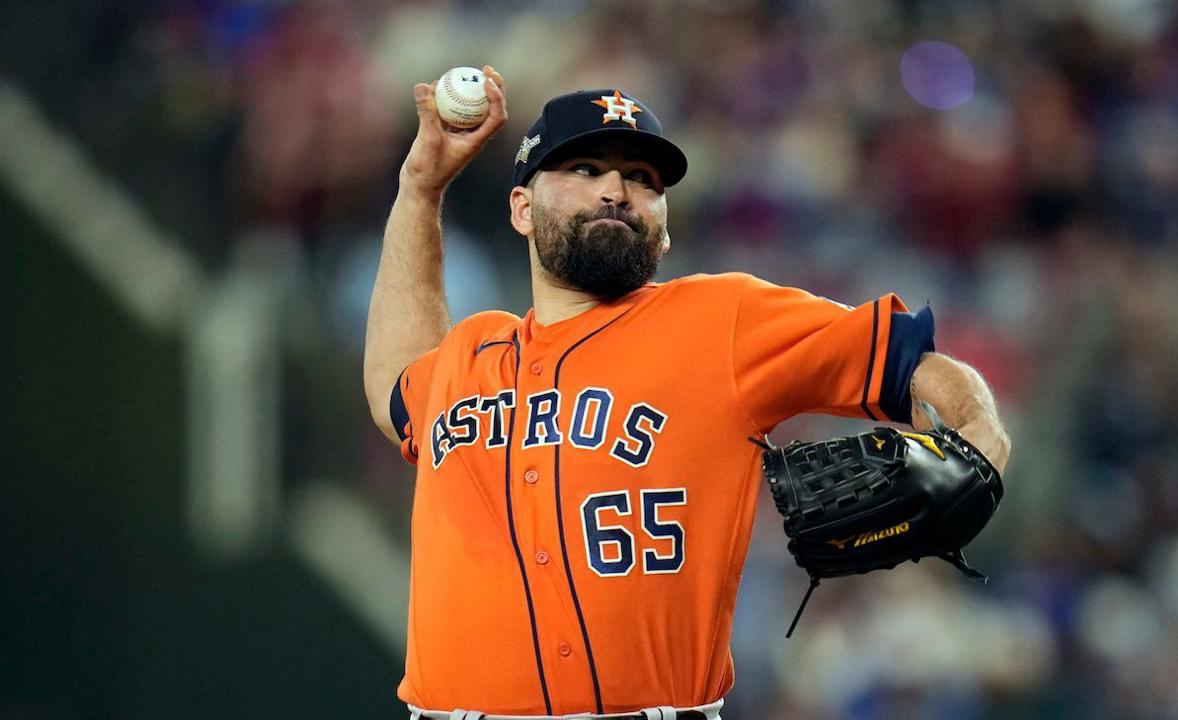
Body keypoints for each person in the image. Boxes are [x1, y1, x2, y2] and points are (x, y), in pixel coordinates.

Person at [363, 66, 1011, 720]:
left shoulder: (722, 320)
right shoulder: (470, 354)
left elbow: (914, 362)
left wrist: (981, 430)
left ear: (665, 228)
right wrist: (420, 188)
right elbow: (396, 385)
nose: (616, 190)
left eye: (643, 179)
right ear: (522, 209)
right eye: (585, 169)